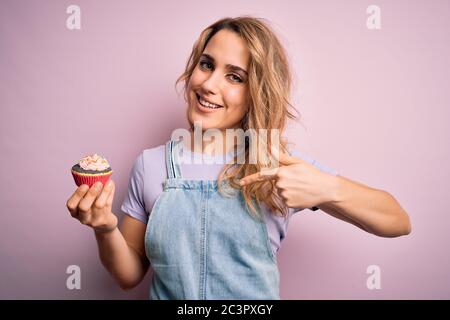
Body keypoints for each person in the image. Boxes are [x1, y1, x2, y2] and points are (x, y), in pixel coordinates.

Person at [66, 16, 411, 300]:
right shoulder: (151, 164)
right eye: (206, 65)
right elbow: (129, 276)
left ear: (256, 92)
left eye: (234, 77)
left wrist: (329, 187)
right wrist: (105, 228)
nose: (209, 84)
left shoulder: (277, 165)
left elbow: (397, 221)